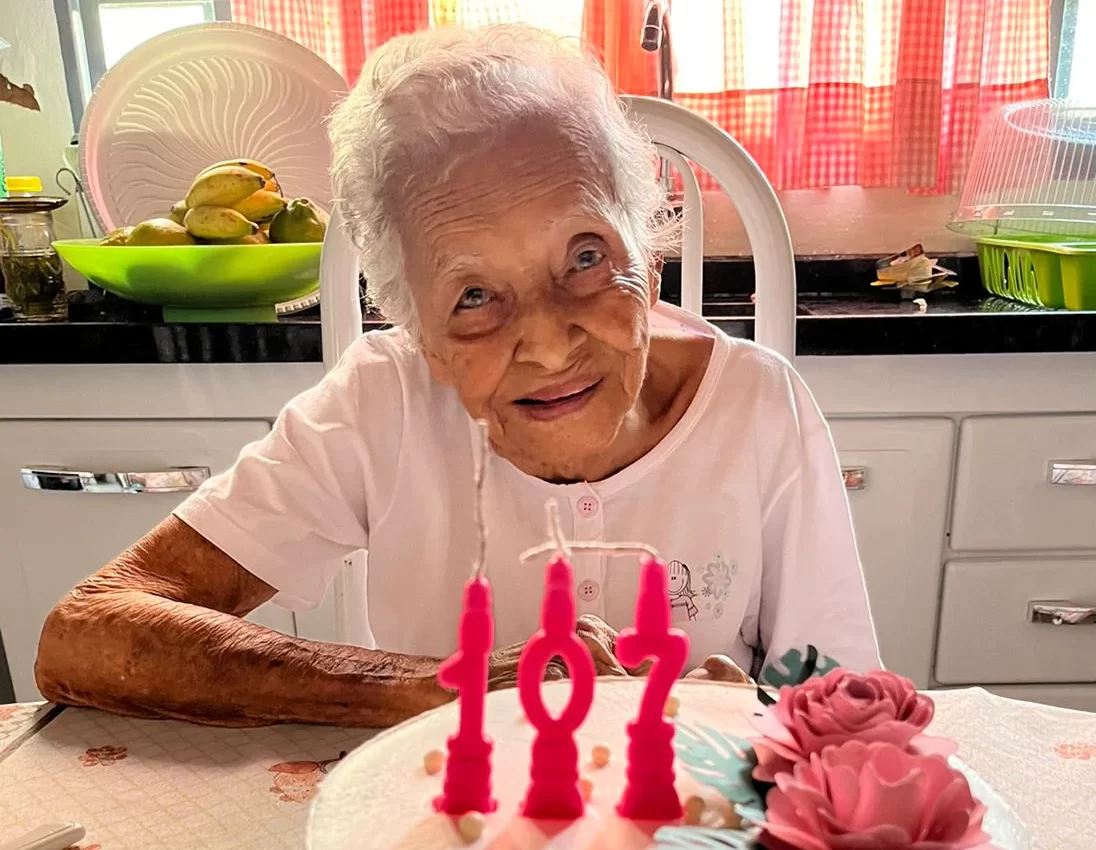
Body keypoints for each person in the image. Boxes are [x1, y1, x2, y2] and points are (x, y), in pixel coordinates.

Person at [34, 24, 878, 728]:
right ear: (418, 335)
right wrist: (449, 687)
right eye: (474, 297)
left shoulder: (760, 406)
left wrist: (752, 723)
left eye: (586, 257)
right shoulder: (382, 403)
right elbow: (86, 633)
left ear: (649, 260)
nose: (548, 345)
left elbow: (845, 708)